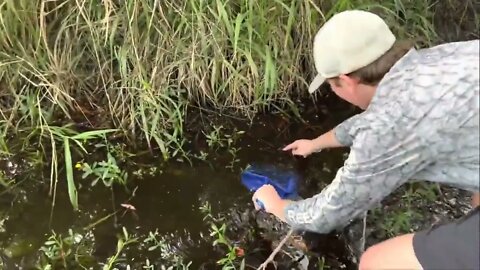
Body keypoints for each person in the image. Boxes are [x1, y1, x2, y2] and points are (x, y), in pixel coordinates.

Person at [251, 10, 479, 270]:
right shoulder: (439, 59)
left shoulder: (386, 126)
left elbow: (328, 213)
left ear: (346, 81)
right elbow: (380, 120)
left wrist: (277, 205)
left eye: (331, 85)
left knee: (376, 262)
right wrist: (315, 143)